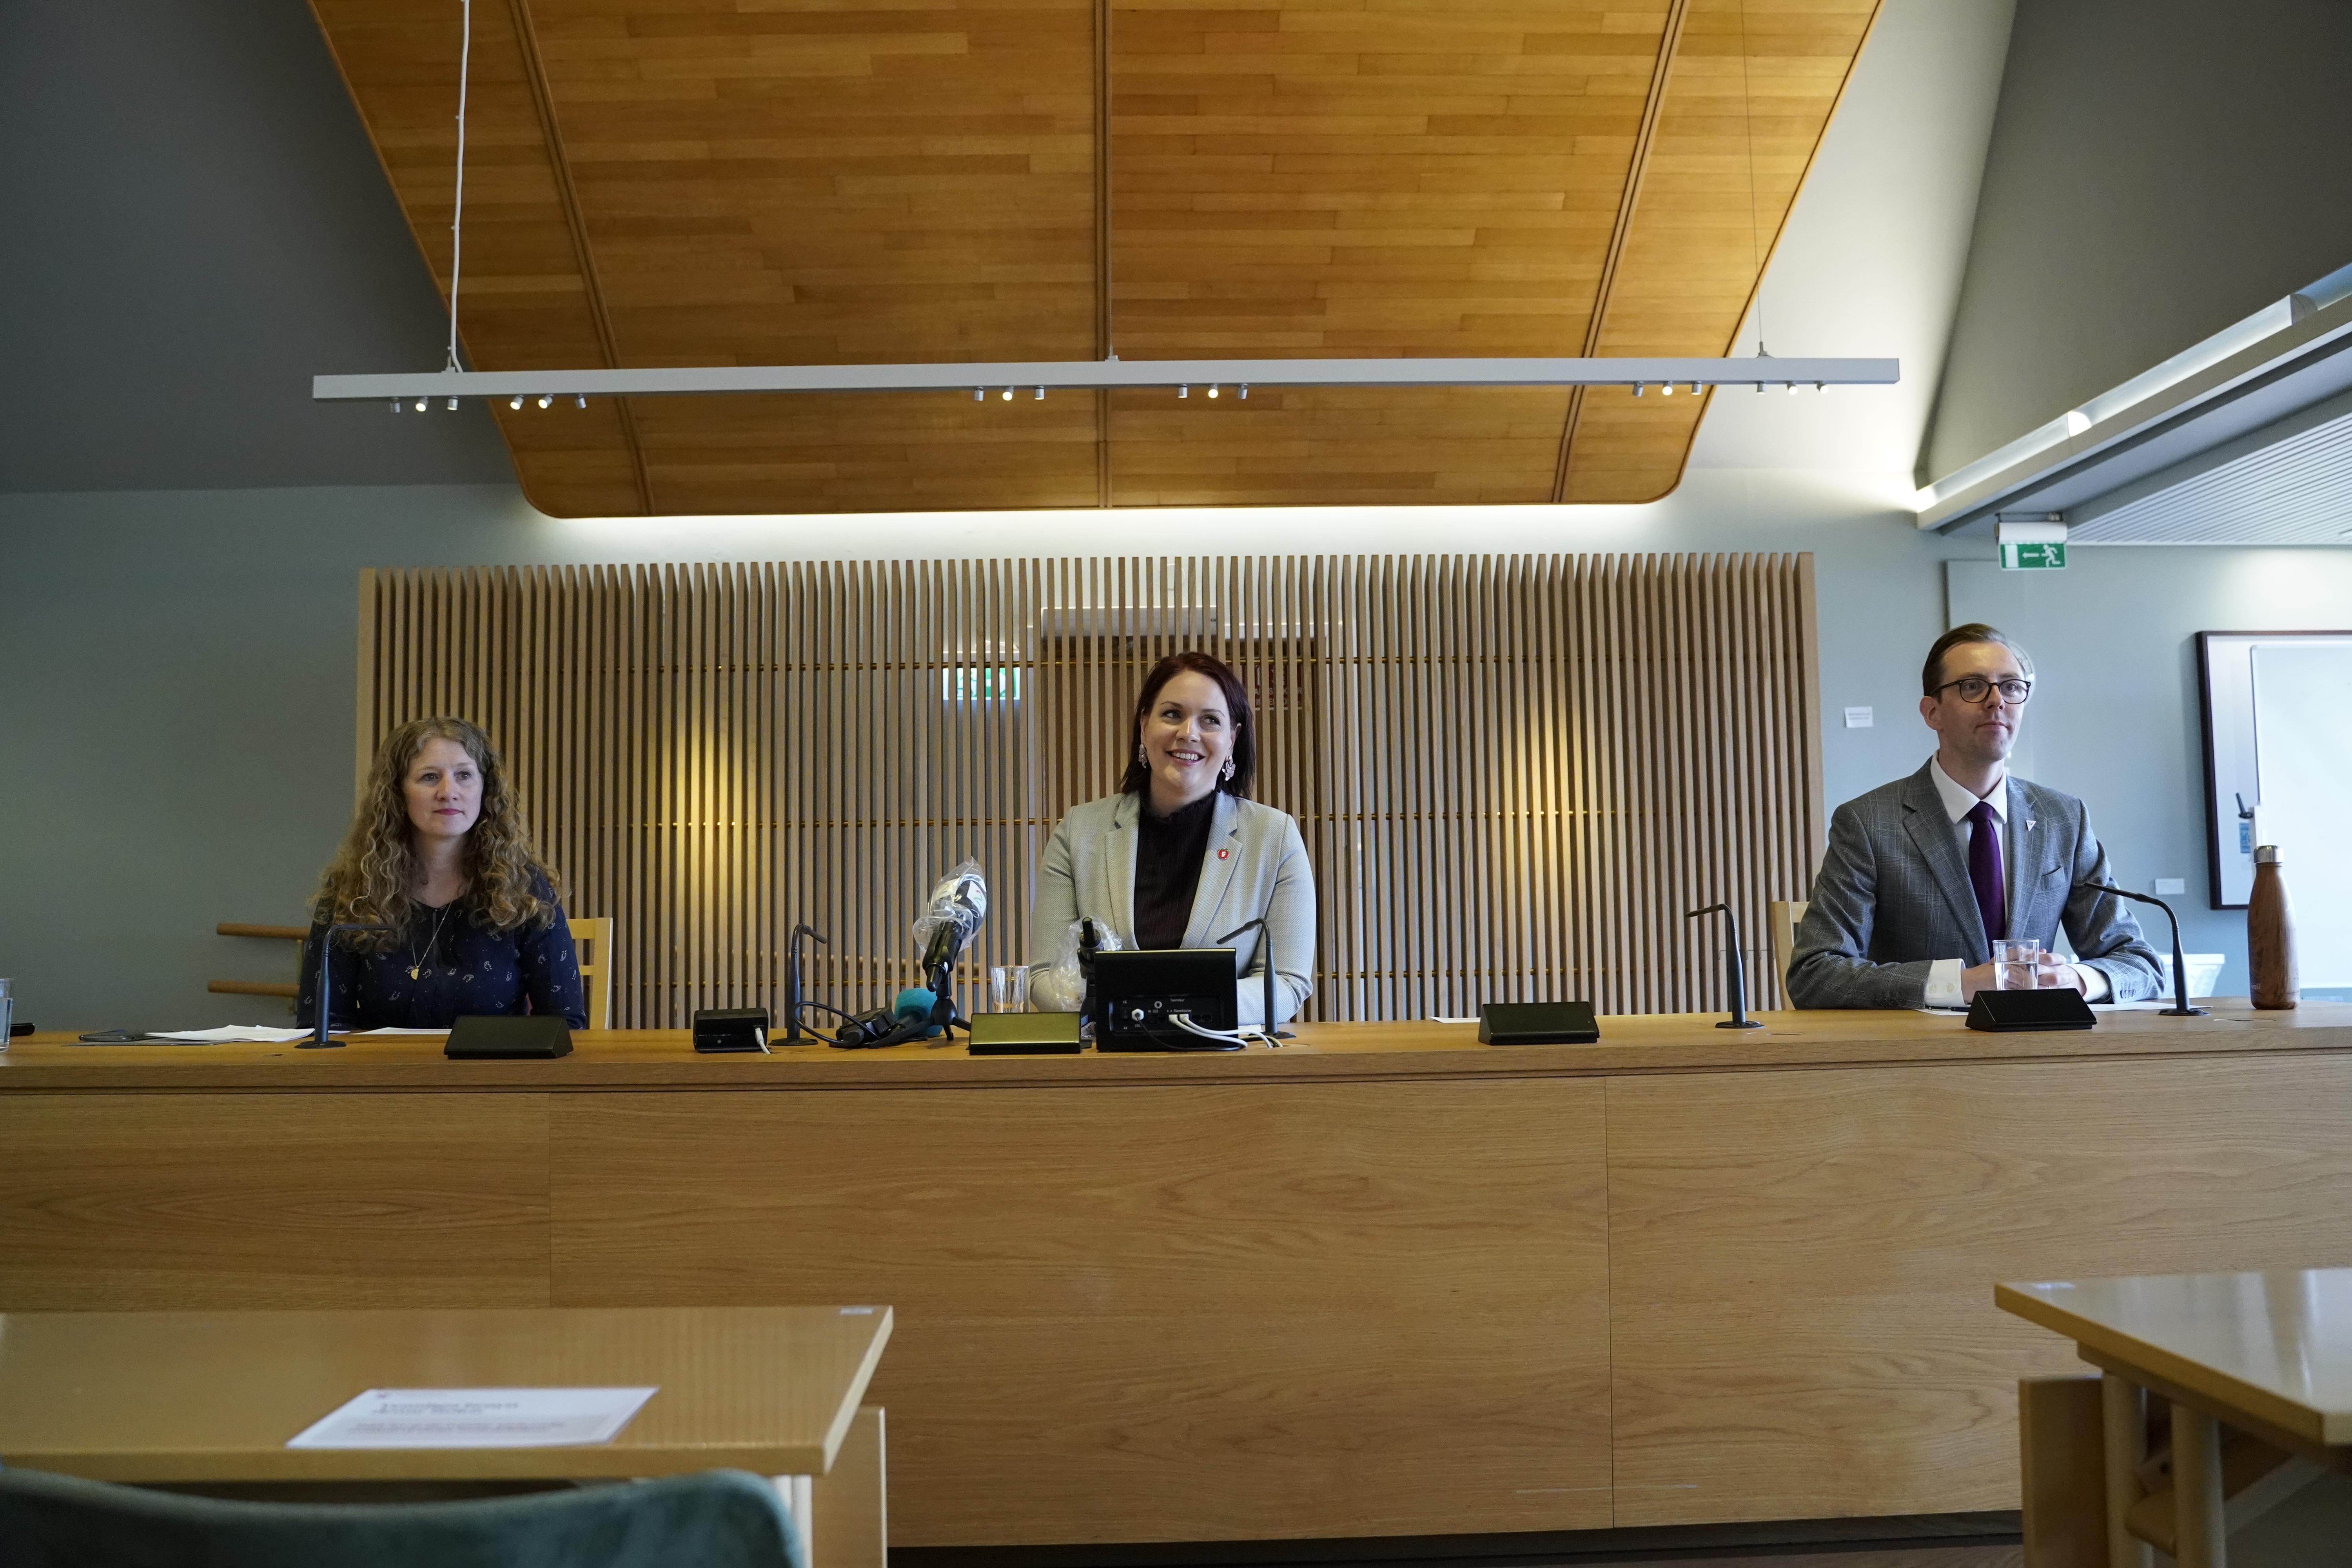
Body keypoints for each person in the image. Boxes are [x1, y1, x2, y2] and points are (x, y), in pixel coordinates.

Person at [1788, 624, 2162, 1009]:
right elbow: (1815, 974)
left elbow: (2140, 964)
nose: (1997, 700)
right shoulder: (1868, 823)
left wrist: (2075, 979)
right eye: (1973, 686)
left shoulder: (2063, 818)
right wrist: (1960, 983)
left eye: (2012, 686)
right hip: (1919, 1057)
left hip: (2041, 1052)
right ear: (1933, 712)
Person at [1028, 652, 1316, 1025]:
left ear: (1232, 739)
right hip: (1104, 1069)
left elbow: (1287, 983)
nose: (1189, 733)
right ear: (1145, 725)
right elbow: (1044, 979)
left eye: (1210, 720)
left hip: (1228, 1069)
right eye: (1172, 714)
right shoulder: (1078, 832)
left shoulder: (1275, 838)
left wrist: (1166, 1008)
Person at [295, 716, 588, 1033]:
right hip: (383, 1077)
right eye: (430, 777)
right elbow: (320, 1024)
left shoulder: (525, 889)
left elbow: (564, 1023)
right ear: (398, 792)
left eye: (464, 775)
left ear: (484, 789)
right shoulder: (351, 889)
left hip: (493, 1077)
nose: (448, 792)